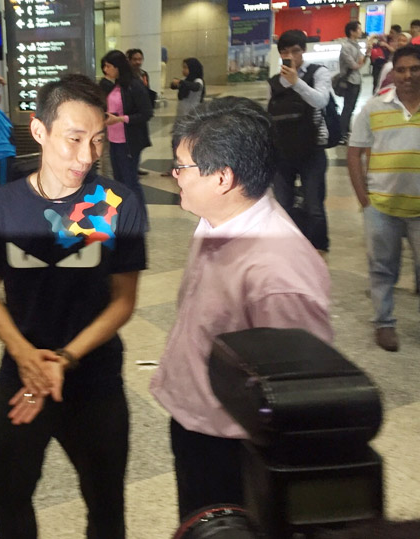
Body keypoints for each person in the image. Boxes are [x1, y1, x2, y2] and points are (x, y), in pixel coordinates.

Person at [0, 73, 147, 539]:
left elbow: (123, 301)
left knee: (106, 505)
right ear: (38, 131)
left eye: (96, 141)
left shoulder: (112, 201)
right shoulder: (3, 206)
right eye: (73, 139)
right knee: (7, 495)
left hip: (93, 377)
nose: (86, 156)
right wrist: (24, 354)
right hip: (22, 373)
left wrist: (66, 359)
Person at [149, 96, 333, 520]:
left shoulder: (277, 273)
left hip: (231, 448)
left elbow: (295, 397)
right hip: (197, 421)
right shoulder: (217, 217)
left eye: (182, 167)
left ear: (222, 178)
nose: (174, 176)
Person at [347, 45, 420, 352]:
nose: (407, 76)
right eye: (401, 69)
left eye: (414, 69)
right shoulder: (375, 107)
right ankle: (384, 323)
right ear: (393, 72)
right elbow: (354, 153)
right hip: (382, 206)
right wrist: (364, 200)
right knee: (381, 268)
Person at [268, 29, 332, 252]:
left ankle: (318, 248)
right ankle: (290, 248)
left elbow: (320, 101)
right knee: (283, 204)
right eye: (285, 51)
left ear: (303, 50)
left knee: (314, 205)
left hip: (311, 148)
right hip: (282, 151)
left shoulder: (318, 72)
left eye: (295, 51)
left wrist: (296, 82)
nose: (291, 56)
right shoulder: (275, 82)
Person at [99, 50, 153, 231]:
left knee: (130, 182)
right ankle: (125, 218)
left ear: (118, 67)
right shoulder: (113, 86)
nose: (106, 69)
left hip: (129, 142)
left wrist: (121, 119)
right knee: (119, 182)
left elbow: (146, 113)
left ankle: (140, 221)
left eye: (109, 66)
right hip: (114, 141)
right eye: (104, 66)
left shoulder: (134, 85)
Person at [126, 47, 157, 177]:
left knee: (140, 141)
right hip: (132, 114)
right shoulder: (127, 77)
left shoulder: (143, 74)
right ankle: (131, 167)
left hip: (142, 113)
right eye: (135, 59)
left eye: (140, 59)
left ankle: (136, 166)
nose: (138, 62)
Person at [339, 21, 367, 142]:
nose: (361, 31)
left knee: (351, 107)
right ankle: (341, 133)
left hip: (357, 80)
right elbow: (355, 65)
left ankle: (346, 131)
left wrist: (368, 52)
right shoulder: (346, 47)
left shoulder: (356, 45)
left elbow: (362, 62)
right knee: (347, 107)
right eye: (359, 29)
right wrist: (360, 62)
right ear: (352, 32)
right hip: (350, 81)